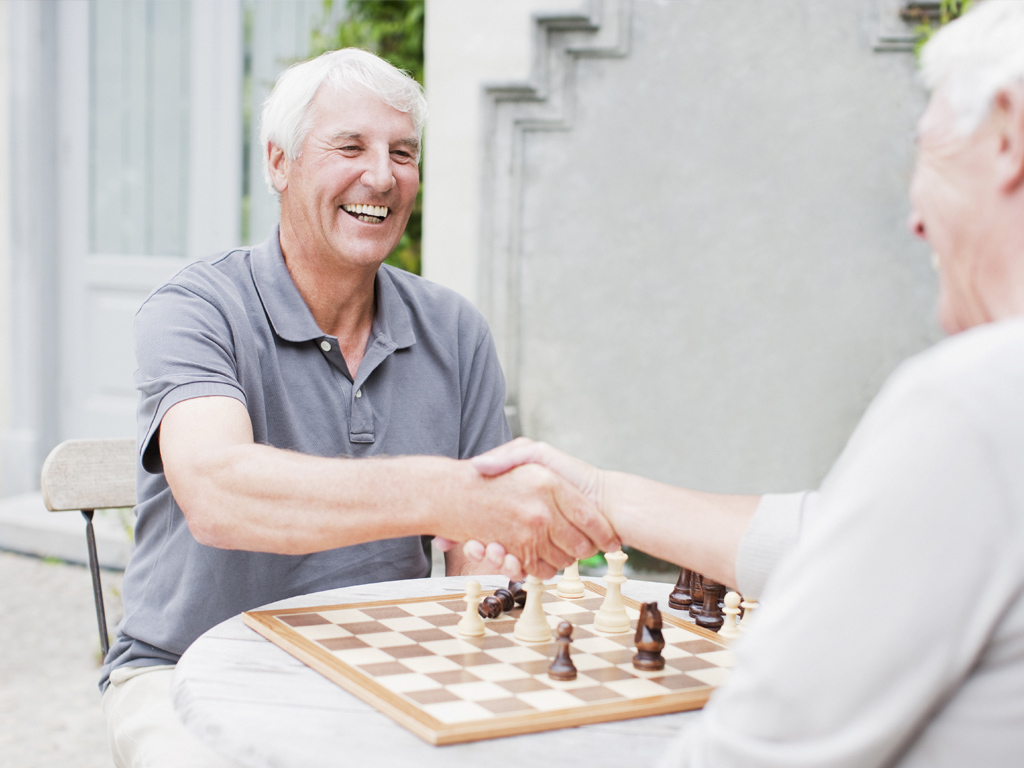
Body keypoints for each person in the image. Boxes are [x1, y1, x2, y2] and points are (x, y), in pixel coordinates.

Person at [452, 2, 1024, 765]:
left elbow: (752, 749)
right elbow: (838, 540)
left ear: (1008, 138)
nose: (915, 220)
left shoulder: (974, 400)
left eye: (929, 152)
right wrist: (600, 495)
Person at [99, 49, 617, 768]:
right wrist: (446, 495)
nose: (382, 176)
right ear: (279, 162)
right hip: (182, 671)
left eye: (403, 152)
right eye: (351, 147)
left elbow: (477, 554)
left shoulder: (453, 328)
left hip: (386, 667)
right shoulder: (196, 310)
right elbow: (220, 494)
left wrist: (493, 554)